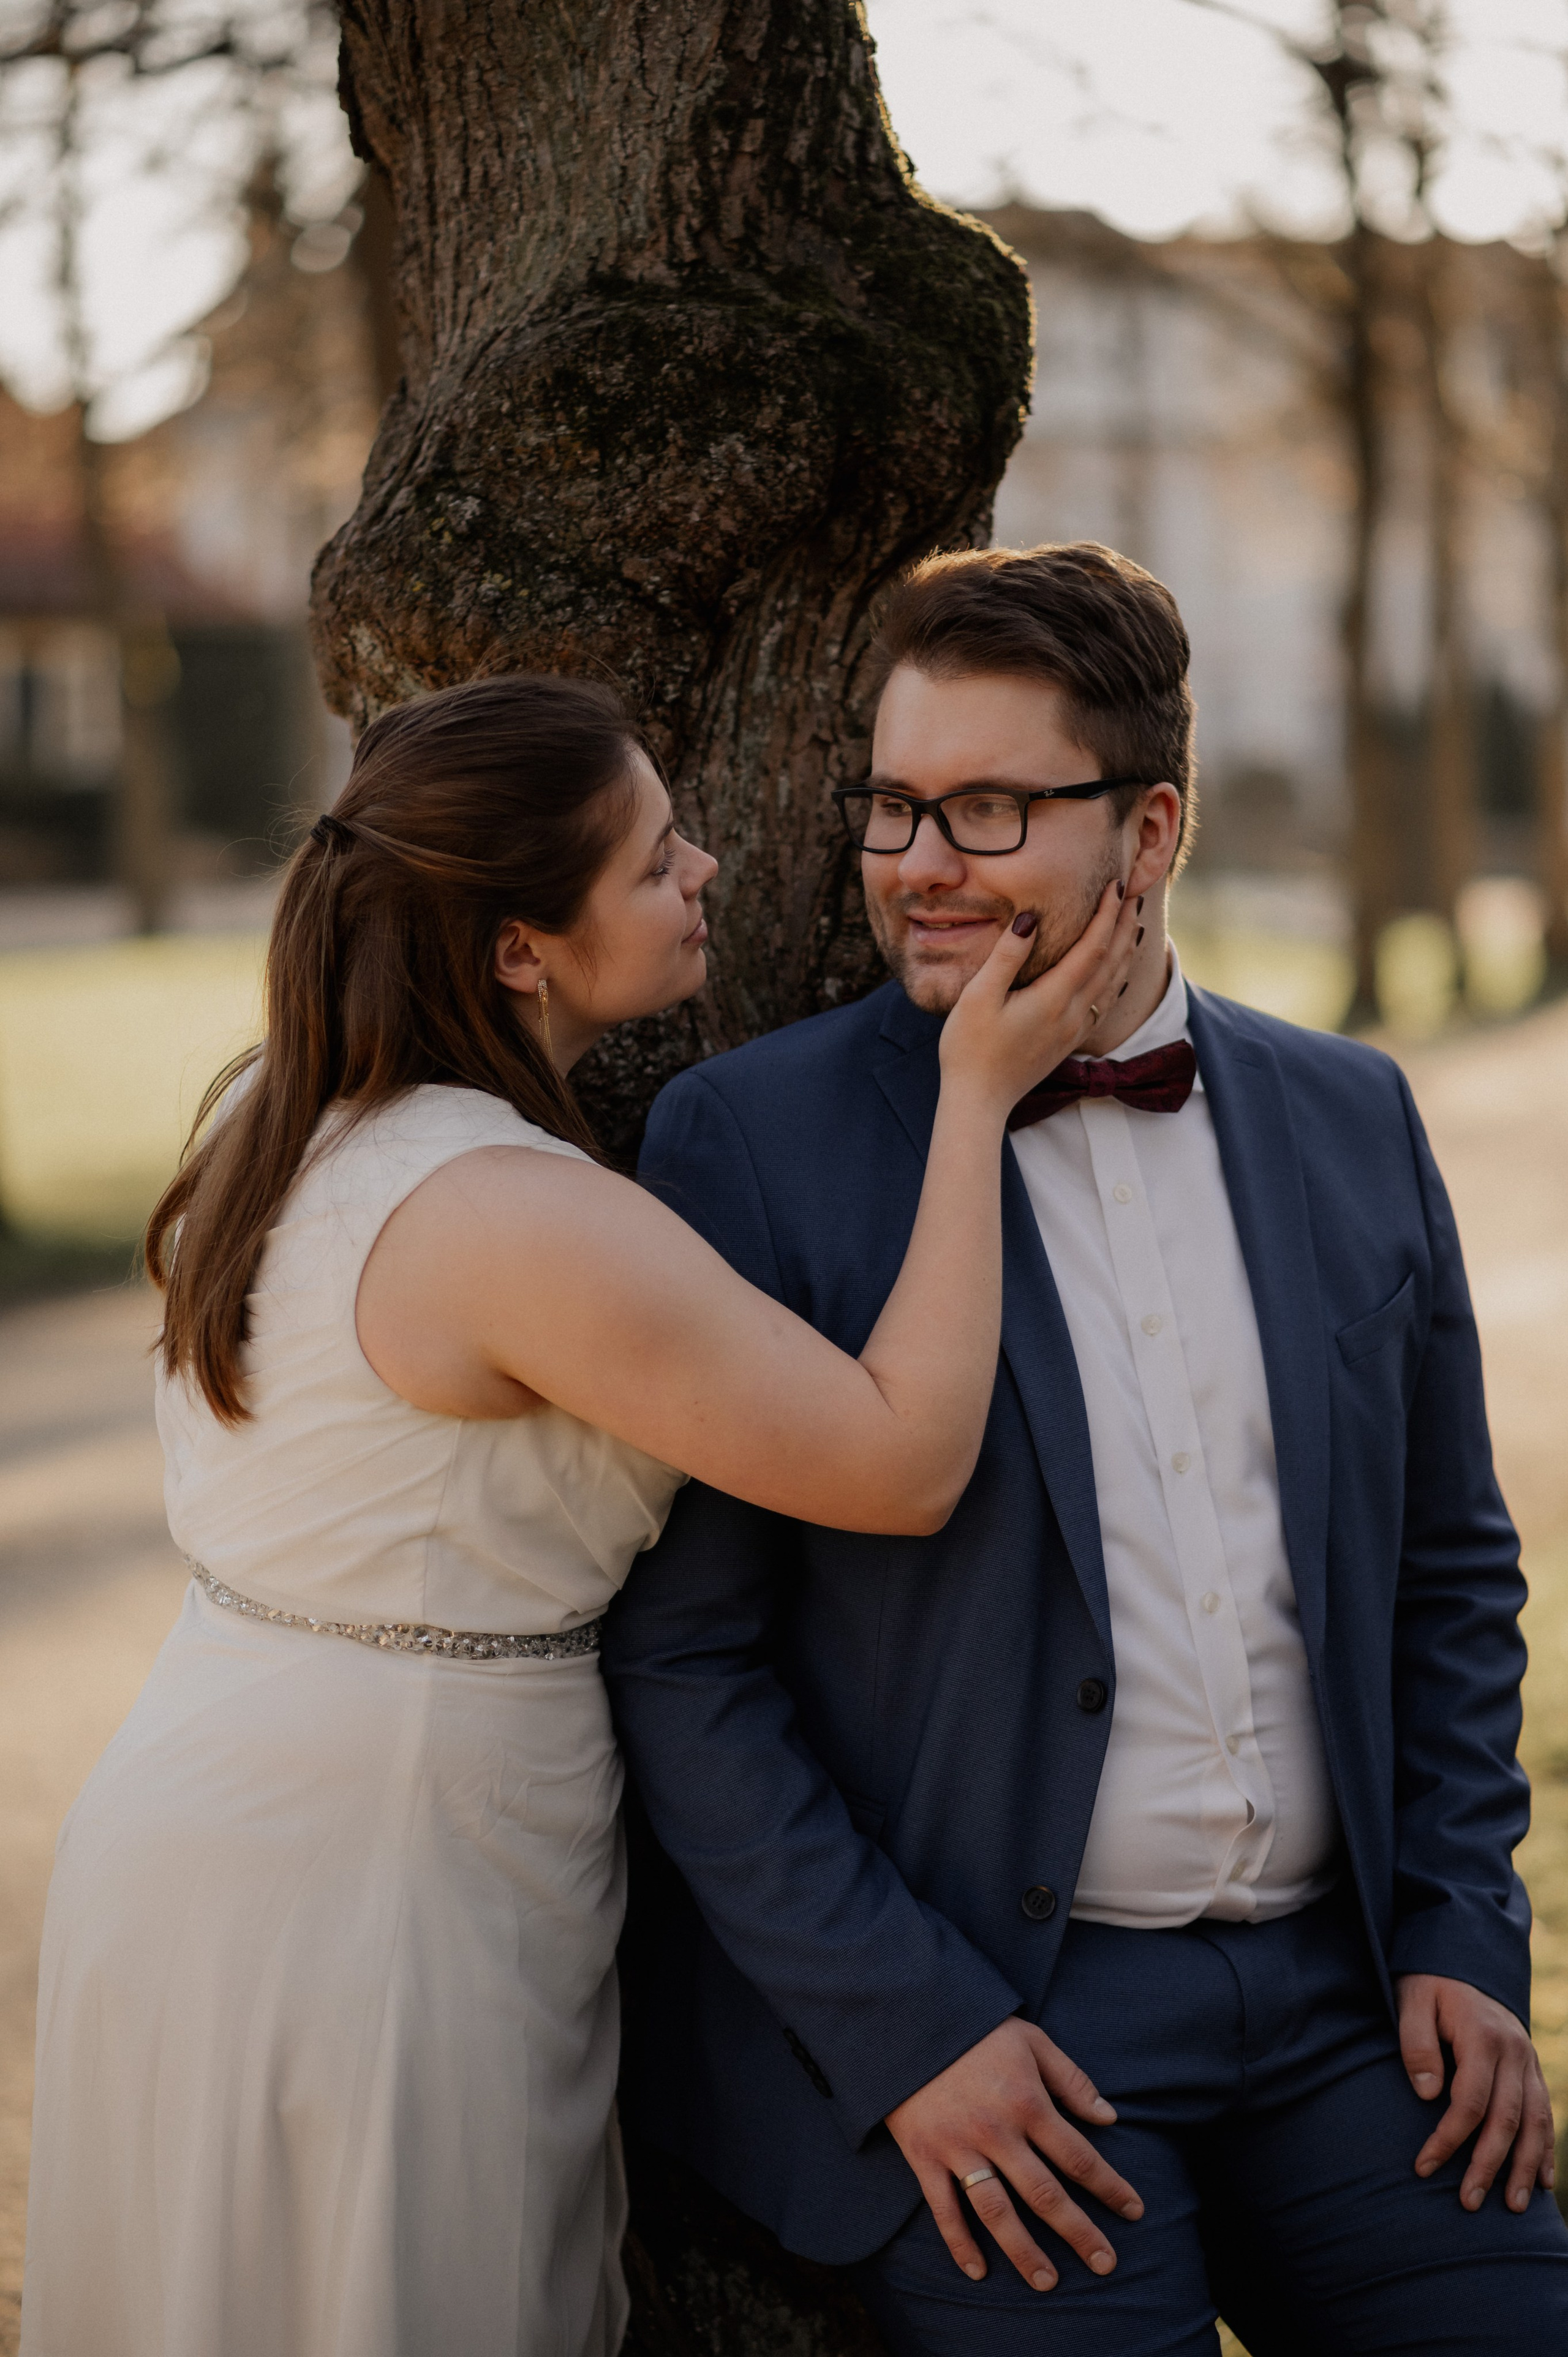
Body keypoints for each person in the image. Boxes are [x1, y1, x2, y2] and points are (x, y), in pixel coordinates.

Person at [20, 671, 1137, 2357]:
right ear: (520, 950)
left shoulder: (286, 1114)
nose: (708, 870)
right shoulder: (513, 1216)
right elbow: (903, 1463)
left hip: (209, 1809)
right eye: (653, 858)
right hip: (383, 1875)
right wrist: (974, 1098)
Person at [604, 543, 1568, 2355]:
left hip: (1356, 2008)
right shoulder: (753, 1145)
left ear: (1151, 830)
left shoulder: (1355, 1112)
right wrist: (912, 2035)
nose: (919, 866)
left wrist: (1460, 1931)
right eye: (895, 806)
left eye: (989, 809)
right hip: (1009, 2024)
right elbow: (686, 1663)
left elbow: (1450, 1572)